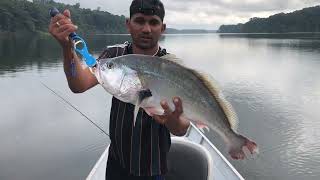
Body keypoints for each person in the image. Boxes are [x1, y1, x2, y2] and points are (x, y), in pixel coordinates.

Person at [49, 0, 190, 179]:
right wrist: (67, 47)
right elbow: (79, 85)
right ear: (128, 24)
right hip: (117, 164)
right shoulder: (113, 56)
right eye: (139, 21)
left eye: (153, 22)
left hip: (154, 169)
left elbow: (180, 130)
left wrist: (172, 120)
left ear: (162, 28)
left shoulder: (171, 68)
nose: (146, 29)